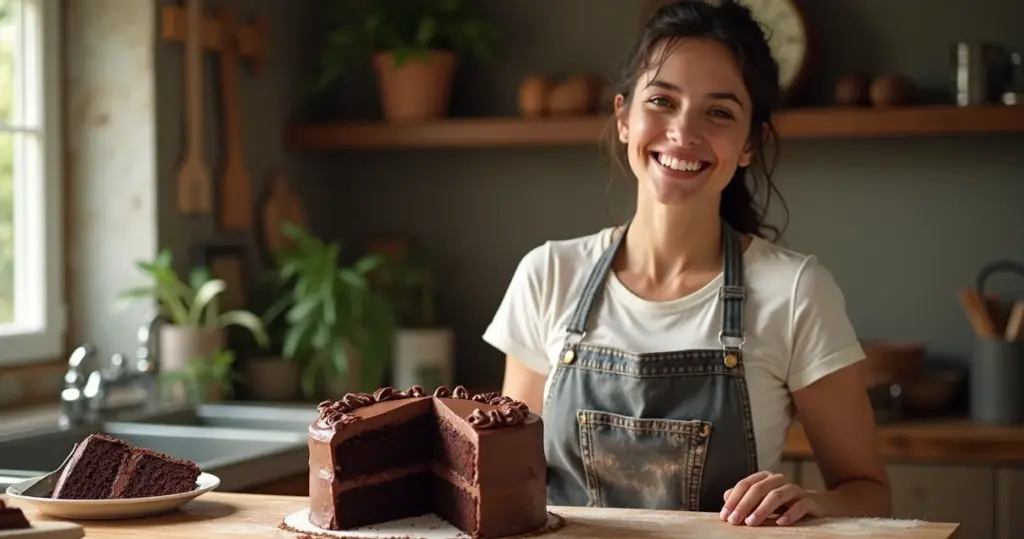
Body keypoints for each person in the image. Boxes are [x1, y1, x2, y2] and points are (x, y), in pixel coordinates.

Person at [482, 0, 891, 528]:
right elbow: (508, 482)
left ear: (750, 144)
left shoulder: (794, 291)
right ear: (624, 117)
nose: (682, 131)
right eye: (662, 101)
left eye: (718, 112)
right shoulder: (548, 275)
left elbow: (870, 494)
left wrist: (815, 501)